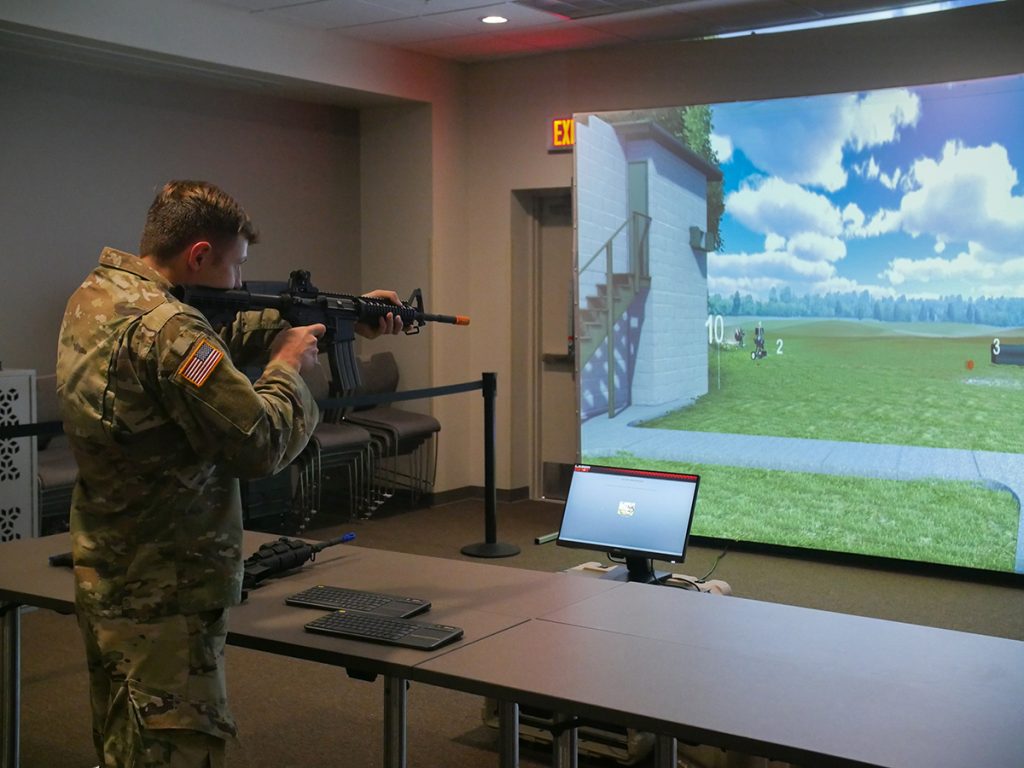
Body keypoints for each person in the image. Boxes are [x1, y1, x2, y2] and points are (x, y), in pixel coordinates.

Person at [56, 180, 404, 768]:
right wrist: (289, 365)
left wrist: (334, 316)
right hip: (169, 581)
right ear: (197, 254)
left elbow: (206, 339)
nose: (240, 283)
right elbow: (260, 442)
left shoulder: (99, 296)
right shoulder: (170, 331)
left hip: (114, 566)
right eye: (235, 265)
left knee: (126, 731)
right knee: (176, 738)